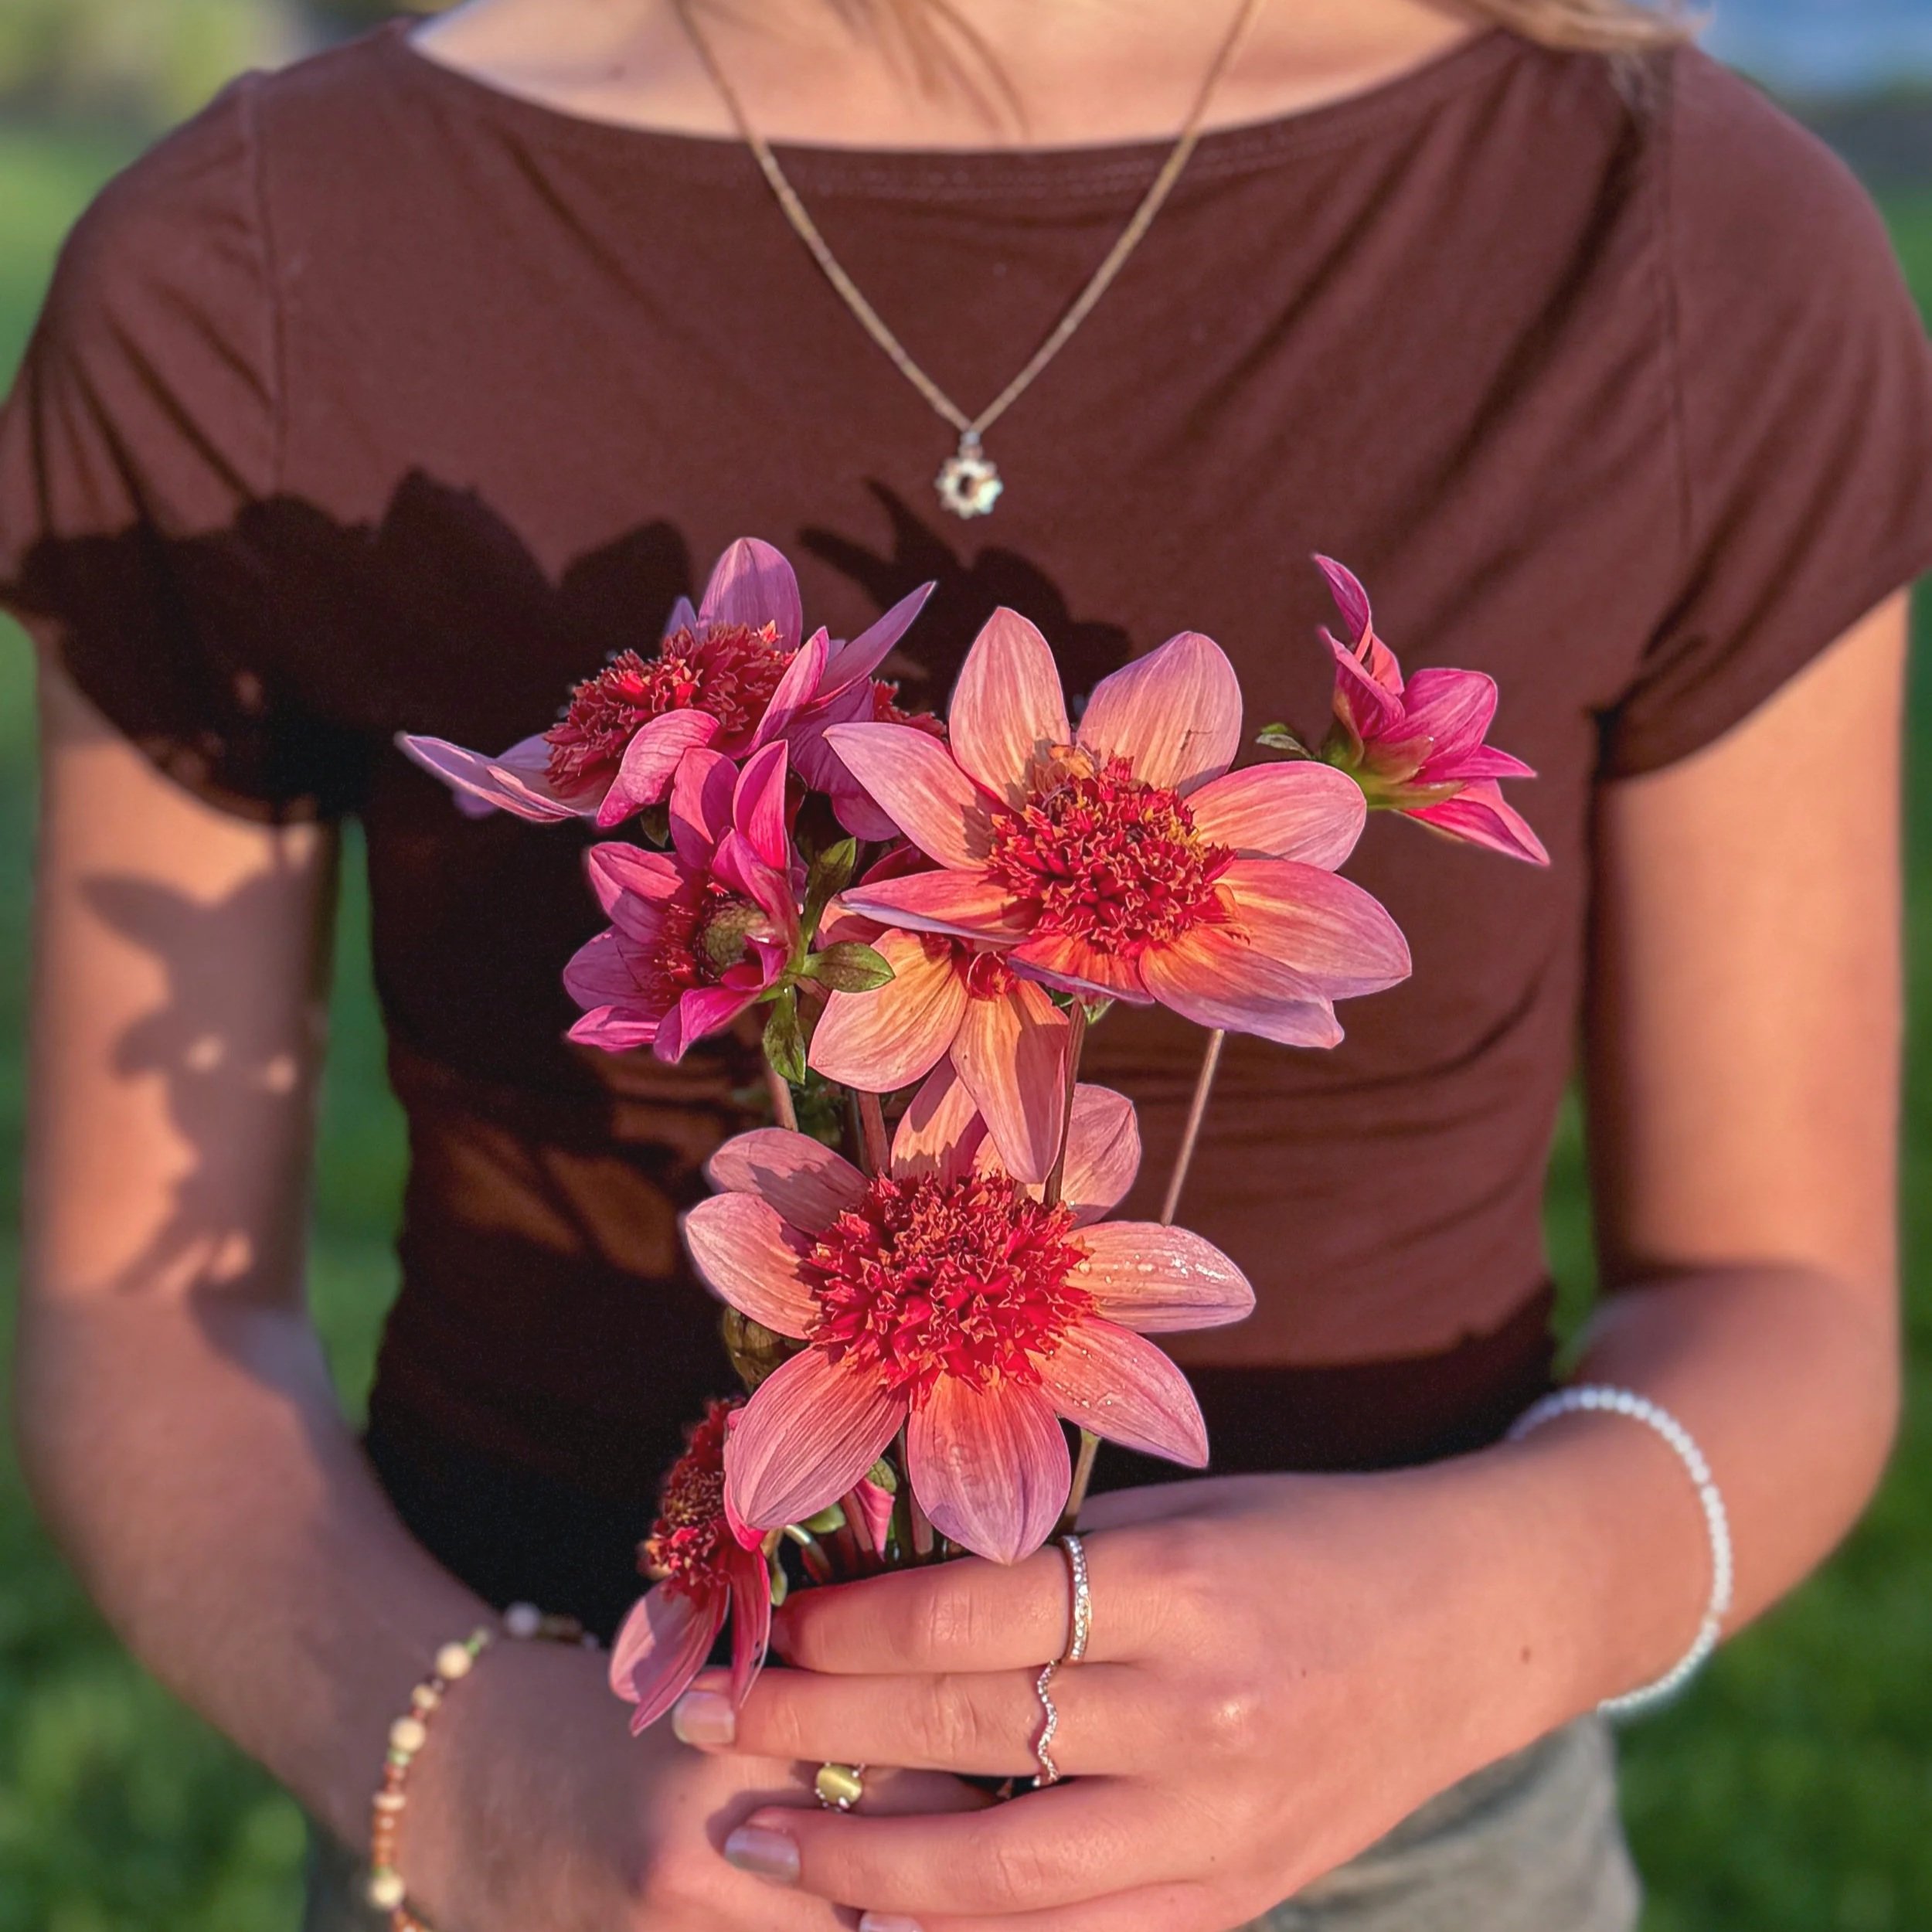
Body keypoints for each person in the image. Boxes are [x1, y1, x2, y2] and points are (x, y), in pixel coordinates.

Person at [5, 1, 1930, 1927]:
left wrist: (1482, 1621)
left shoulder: (1688, 243)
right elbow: (137, 1302)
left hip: (1399, 1843)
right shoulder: (253, 254)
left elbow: (1782, 1300)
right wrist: (476, 1773)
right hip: (555, 1831)